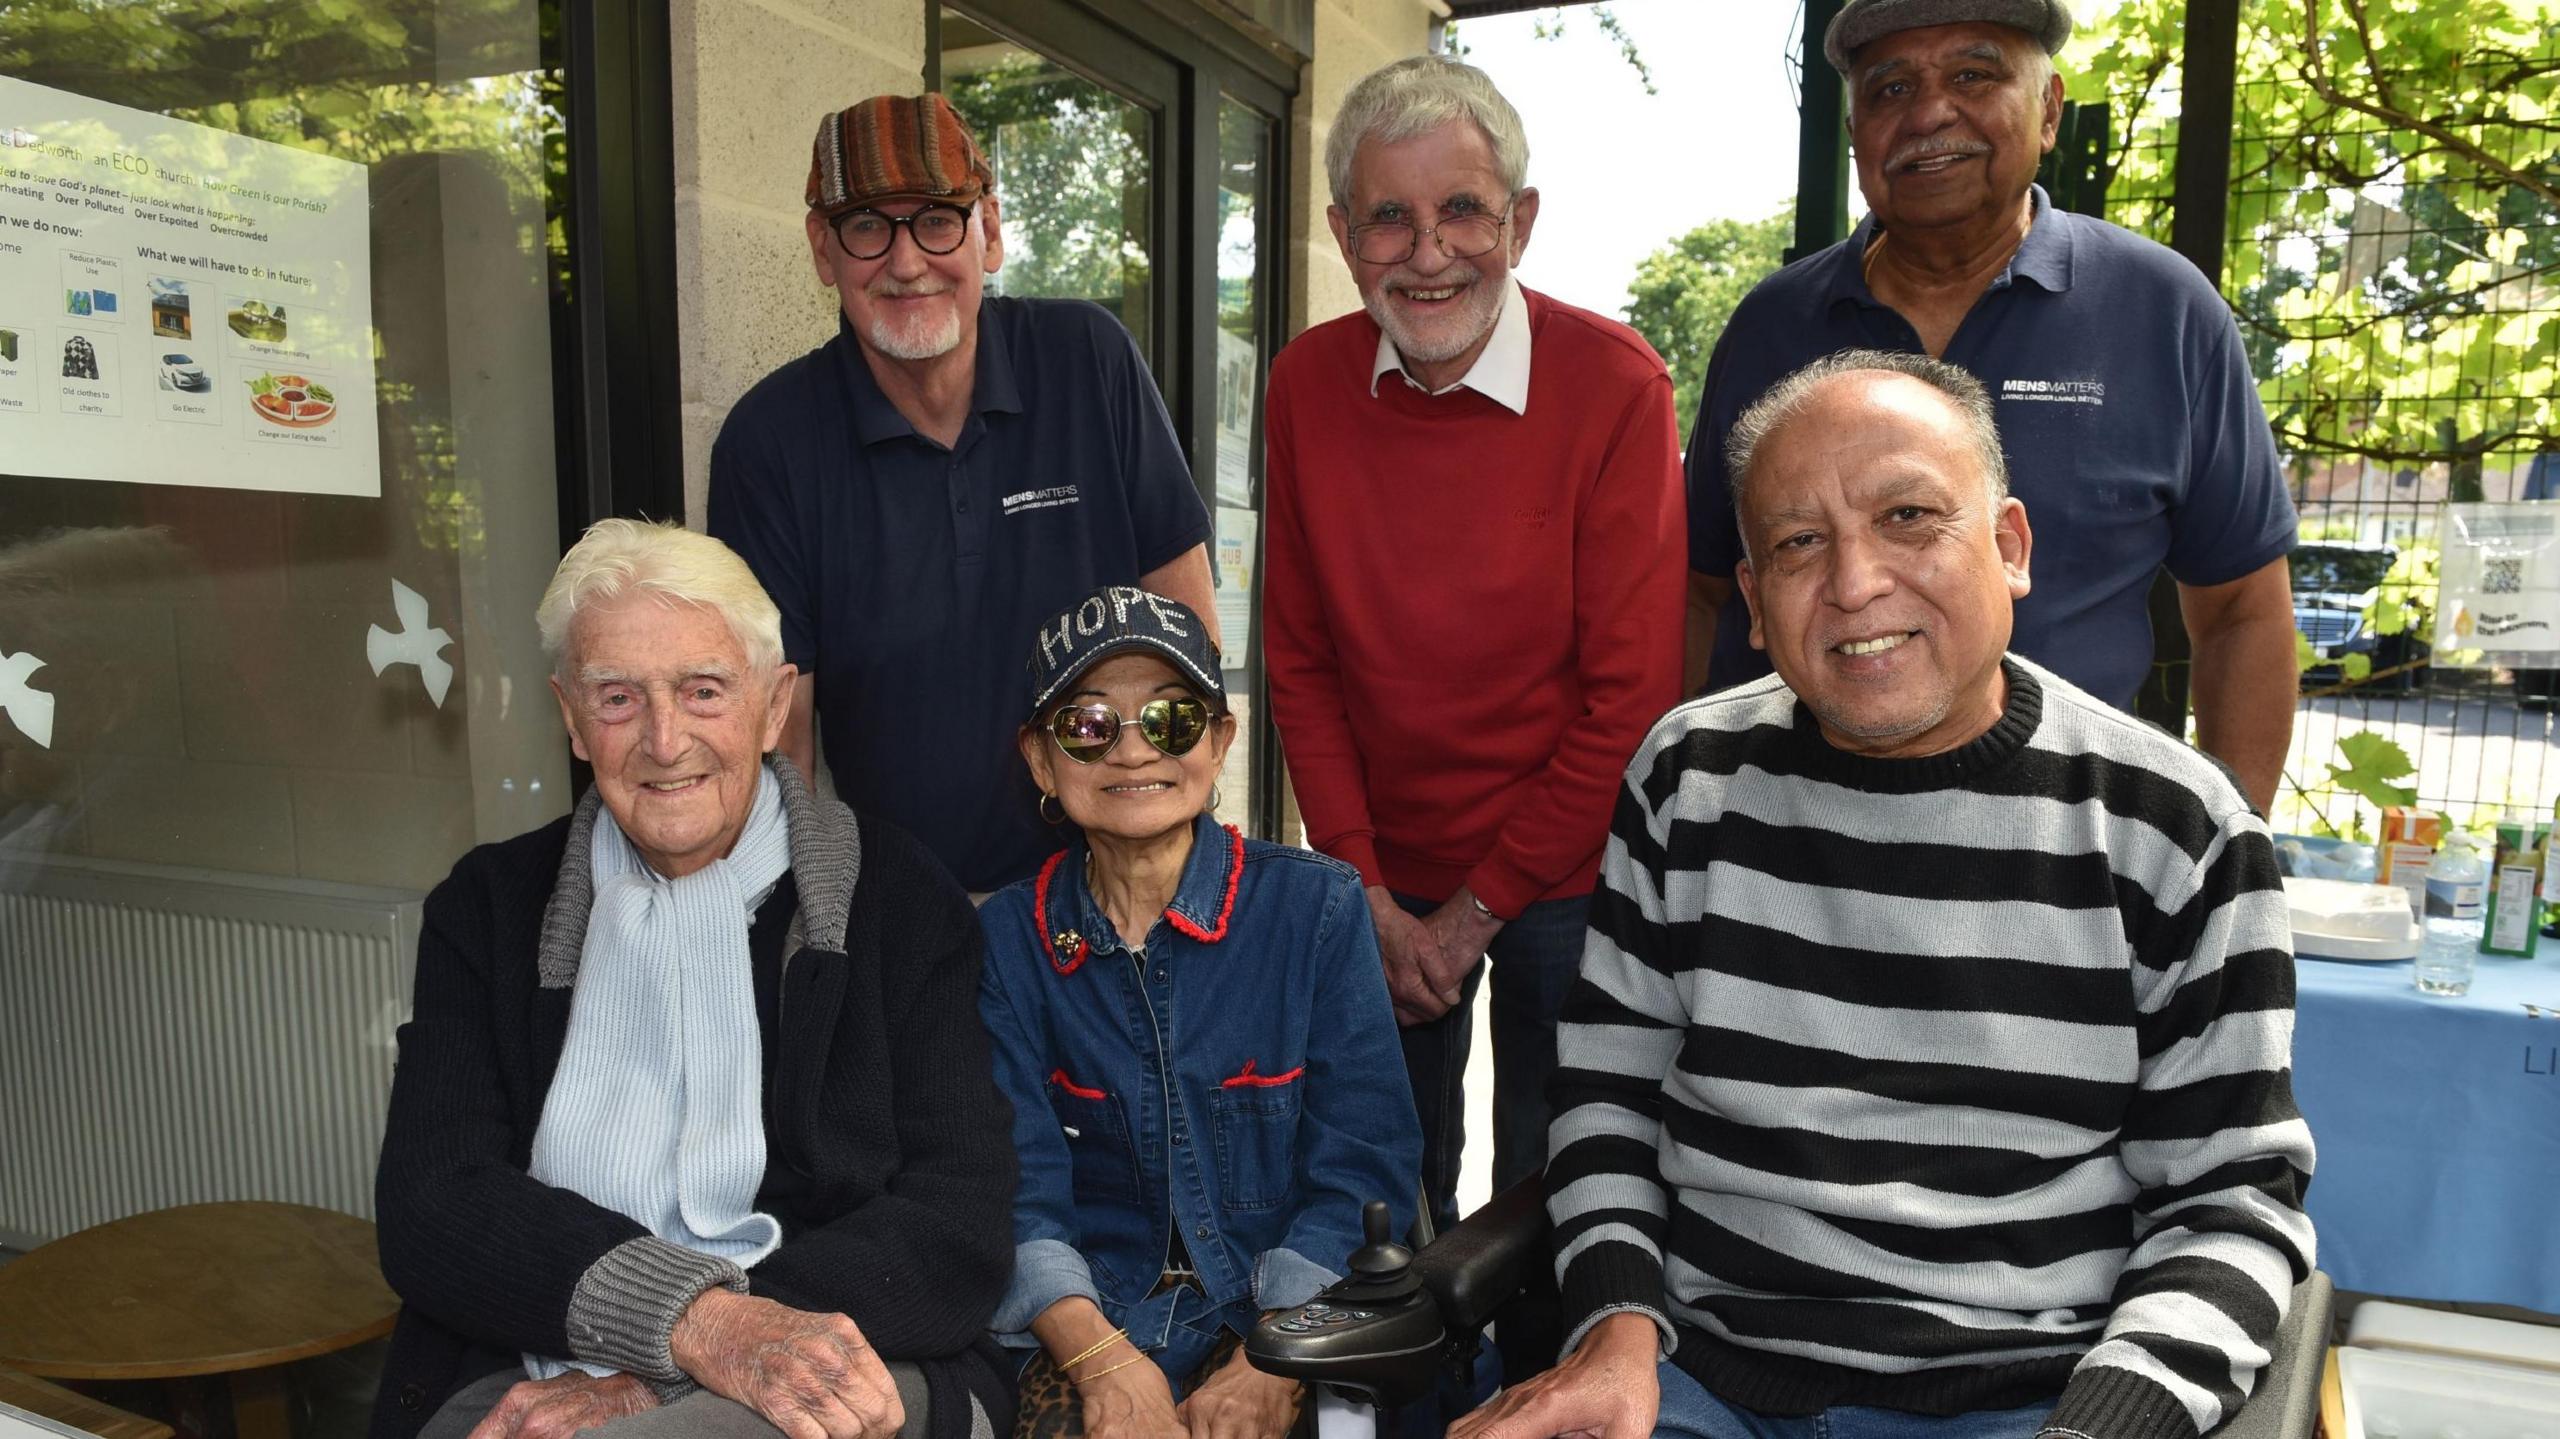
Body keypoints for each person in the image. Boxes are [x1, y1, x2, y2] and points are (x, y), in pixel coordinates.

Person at [1457, 351, 2315, 1439]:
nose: (1855, 582)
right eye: (1798, 543)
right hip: (1699, 1375)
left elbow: (2230, 1202)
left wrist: (2099, 1427)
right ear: (1756, 604)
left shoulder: (2175, 828)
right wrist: (1616, 1329)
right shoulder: (1688, 778)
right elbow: (1606, 1100)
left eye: (1907, 515)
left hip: (2035, 1401)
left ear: (2008, 547)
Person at [372, 519, 1017, 1439]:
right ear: (570, 715)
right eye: (619, 697)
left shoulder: (898, 898)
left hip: (860, 1347)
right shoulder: (489, 906)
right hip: (536, 1355)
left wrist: (677, 1371)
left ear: (773, 704)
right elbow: (434, 1202)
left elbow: (955, 1221)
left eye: (703, 690)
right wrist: (694, 1326)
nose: (664, 739)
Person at [1684, 0, 2298, 814]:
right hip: (1780, 846)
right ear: (1856, 134)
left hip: (2067, 861)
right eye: (1890, 88)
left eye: (1973, 74)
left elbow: (2243, 610)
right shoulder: (1772, 326)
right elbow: (1701, 589)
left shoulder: (2161, 310)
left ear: (2048, 110)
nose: (1931, 112)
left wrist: (2227, 853)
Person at [1263, 55, 1684, 1237]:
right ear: (1345, 237)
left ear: (1522, 223)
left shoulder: (1616, 384)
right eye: (1389, 216)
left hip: (1562, 874)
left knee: (1555, 1196)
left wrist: (1470, 913)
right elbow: (1298, 660)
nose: (1428, 249)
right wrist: (1363, 889)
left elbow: (1630, 697)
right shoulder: (1305, 384)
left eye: (1462, 210)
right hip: (1379, 869)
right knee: (1380, 1197)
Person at [710, 92, 1216, 895]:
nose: (906, 262)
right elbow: (783, 741)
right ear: (822, 248)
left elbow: (1188, 635)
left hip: (1118, 879)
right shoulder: (769, 442)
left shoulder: (1088, 360)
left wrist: (1189, 861)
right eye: (868, 225)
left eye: (938, 219)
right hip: (907, 915)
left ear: (989, 228)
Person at [977, 586, 1422, 1439]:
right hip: (1094, 1322)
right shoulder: (1007, 939)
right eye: (1089, 725)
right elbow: (1018, 1192)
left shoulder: (1316, 910)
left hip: (1290, 1311)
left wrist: (1276, 1360)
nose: (1134, 750)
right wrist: (1106, 1364)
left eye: (1172, 720)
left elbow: (1363, 1167)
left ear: (1219, 742)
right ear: (1040, 760)